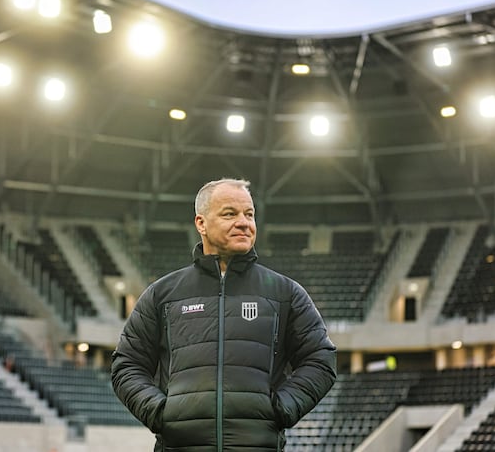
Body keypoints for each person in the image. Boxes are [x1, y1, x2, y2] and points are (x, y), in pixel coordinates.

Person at [111, 178, 336, 452]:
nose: (244, 222)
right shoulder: (163, 295)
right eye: (230, 214)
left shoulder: (285, 293)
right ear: (201, 223)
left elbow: (321, 360)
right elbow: (127, 364)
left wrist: (281, 408)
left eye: (249, 214)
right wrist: (160, 412)